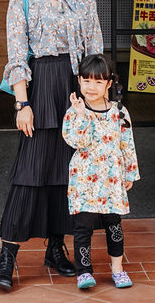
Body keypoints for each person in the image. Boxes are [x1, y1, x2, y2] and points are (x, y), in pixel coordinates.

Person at [0, 0, 104, 290]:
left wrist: (94, 101)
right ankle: (7, 256)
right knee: (30, 171)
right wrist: (22, 103)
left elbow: (94, 53)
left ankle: (56, 248)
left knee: (69, 173)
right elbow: (16, 57)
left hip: (75, 89)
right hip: (40, 88)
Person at [62, 54, 140, 290]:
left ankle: (117, 269)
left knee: (114, 224)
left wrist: (130, 173)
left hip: (112, 178)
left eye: (98, 82)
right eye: (86, 81)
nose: (91, 87)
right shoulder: (74, 112)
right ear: (79, 81)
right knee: (82, 227)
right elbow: (76, 141)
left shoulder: (120, 112)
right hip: (84, 180)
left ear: (109, 83)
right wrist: (82, 115)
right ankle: (84, 272)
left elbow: (128, 144)